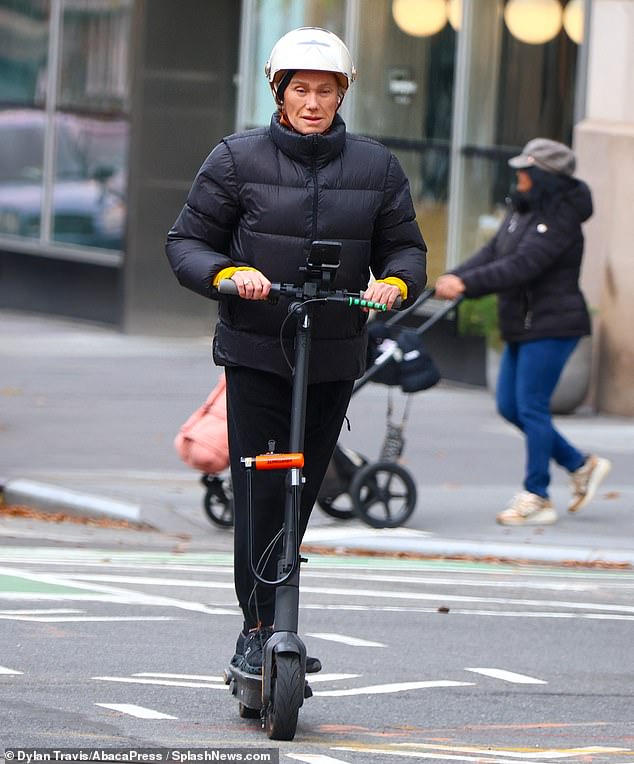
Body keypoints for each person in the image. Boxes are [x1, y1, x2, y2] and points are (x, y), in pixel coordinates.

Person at [165, 27, 426, 673]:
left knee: (300, 489)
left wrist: (393, 286)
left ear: (342, 96)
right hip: (256, 351)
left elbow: (406, 251)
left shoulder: (376, 166)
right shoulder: (235, 159)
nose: (313, 102)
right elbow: (187, 243)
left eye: (326, 90)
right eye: (301, 89)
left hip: (334, 351)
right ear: (279, 92)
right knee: (260, 488)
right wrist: (229, 276)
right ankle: (257, 627)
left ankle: (277, 617)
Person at [434, 137, 611, 526]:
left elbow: (523, 266)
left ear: (543, 176)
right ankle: (580, 465)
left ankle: (538, 495)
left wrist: (467, 286)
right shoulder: (523, 210)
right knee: (510, 407)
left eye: (525, 169)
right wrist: (456, 275)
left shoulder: (561, 219)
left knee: (531, 406)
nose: (518, 175)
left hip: (553, 324)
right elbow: (494, 253)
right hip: (524, 322)